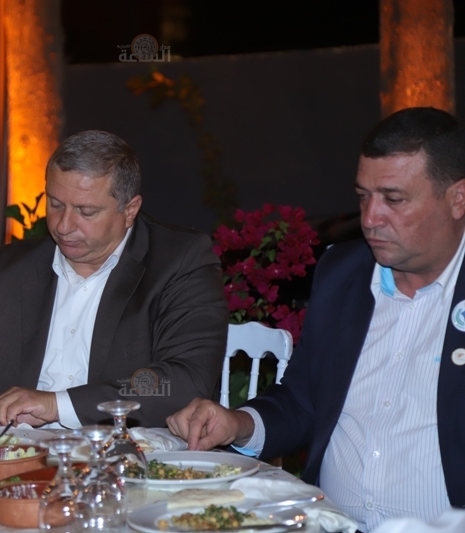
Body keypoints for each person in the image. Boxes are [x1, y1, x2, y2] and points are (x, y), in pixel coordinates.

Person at [167, 107, 465, 532]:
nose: (370, 219)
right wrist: (238, 424)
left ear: (457, 198)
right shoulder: (344, 274)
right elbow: (303, 399)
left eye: (393, 199)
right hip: (325, 523)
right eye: (363, 196)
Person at [0, 130, 228, 429]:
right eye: (55, 204)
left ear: (130, 209)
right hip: (16, 455)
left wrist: (57, 405)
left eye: (85, 211)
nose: (63, 226)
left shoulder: (178, 262)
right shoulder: (11, 269)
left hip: (125, 455)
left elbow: (183, 381)